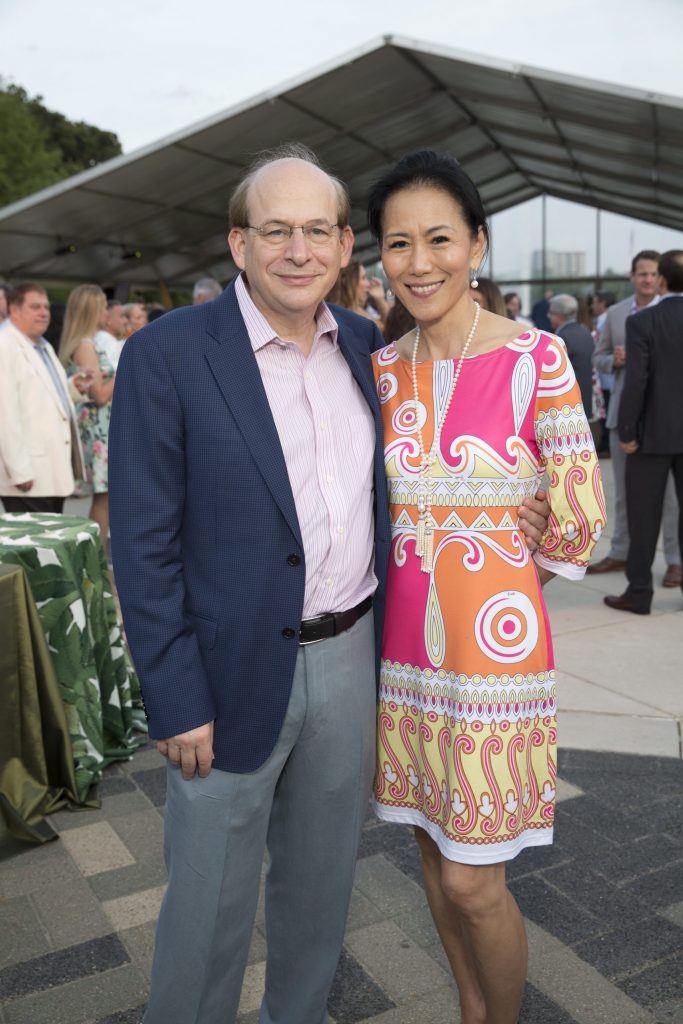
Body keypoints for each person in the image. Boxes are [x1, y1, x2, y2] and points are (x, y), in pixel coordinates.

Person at [108, 143, 550, 1024]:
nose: (297, 250)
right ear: (239, 244)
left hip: (353, 662)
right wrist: (175, 693)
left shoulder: (369, 348)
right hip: (225, 678)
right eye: (276, 230)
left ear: (346, 246)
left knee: (318, 899)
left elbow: (433, 471)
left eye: (317, 230)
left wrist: (526, 508)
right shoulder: (169, 354)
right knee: (207, 911)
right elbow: (141, 541)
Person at [366, 150, 604, 1024]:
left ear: (475, 242)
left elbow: (581, 515)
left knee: (474, 877)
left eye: (438, 239)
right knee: (432, 851)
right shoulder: (380, 370)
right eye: (398, 243)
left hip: (492, 655)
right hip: (401, 654)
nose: (418, 262)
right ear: (378, 255)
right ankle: (470, 1008)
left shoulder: (536, 358)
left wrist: (514, 556)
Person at [591, 251, 681, 586]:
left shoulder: (668, 314)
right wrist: (613, 360)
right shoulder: (615, 315)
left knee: (671, 498)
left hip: (665, 418)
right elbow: (597, 358)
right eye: (641, 273)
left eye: (652, 273)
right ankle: (620, 551)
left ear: (661, 278)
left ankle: (674, 561)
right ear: (632, 277)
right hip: (623, 417)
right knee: (625, 495)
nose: (646, 279)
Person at [0, 283, 84, 513]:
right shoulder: (5, 346)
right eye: (35, 307)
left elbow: (43, 396)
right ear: (14, 310)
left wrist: (73, 388)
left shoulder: (42, 344)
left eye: (46, 306)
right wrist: (20, 470)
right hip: (28, 476)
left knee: (53, 543)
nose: (44, 312)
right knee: (36, 546)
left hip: (51, 470)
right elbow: (4, 414)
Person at [60, 284, 115, 543]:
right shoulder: (85, 345)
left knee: (105, 498)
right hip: (97, 431)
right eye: (103, 306)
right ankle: (97, 561)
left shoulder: (87, 343)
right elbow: (101, 395)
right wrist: (125, 366)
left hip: (100, 429)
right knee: (103, 499)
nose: (107, 311)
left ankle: (98, 560)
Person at [547, 293, 595, 413]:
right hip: (584, 399)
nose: (548, 317)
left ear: (559, 315)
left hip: (567, 405)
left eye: (551, 313)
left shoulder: (560, 338)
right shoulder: (585, 331)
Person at [330, 259, 389, 328]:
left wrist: (380, 299)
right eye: (363, 278)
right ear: (351, 282)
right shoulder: (354, 316)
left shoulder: (339, 313)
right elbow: (389, 330)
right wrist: (380, 300)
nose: (368, 284)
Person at [94, 299, 128, 369]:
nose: (126, 321)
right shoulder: (106, 340)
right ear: (108, 319)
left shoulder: (107, 339)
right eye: (121, 316)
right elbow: (114, 372)